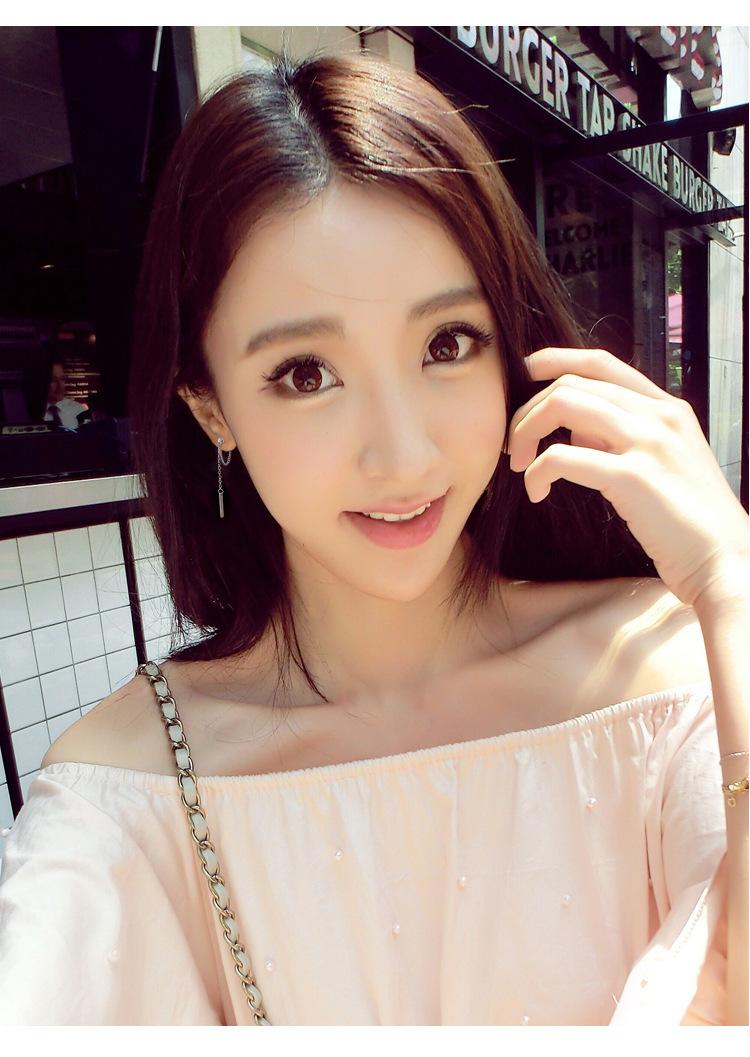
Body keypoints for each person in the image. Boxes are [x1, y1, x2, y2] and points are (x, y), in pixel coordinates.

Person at [0, 48, 746, 1027]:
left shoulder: (666, 672)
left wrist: (734, 583)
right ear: (211, 407)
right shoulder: (127, 792)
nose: (402, 455)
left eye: (446, 344)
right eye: (306, 373)